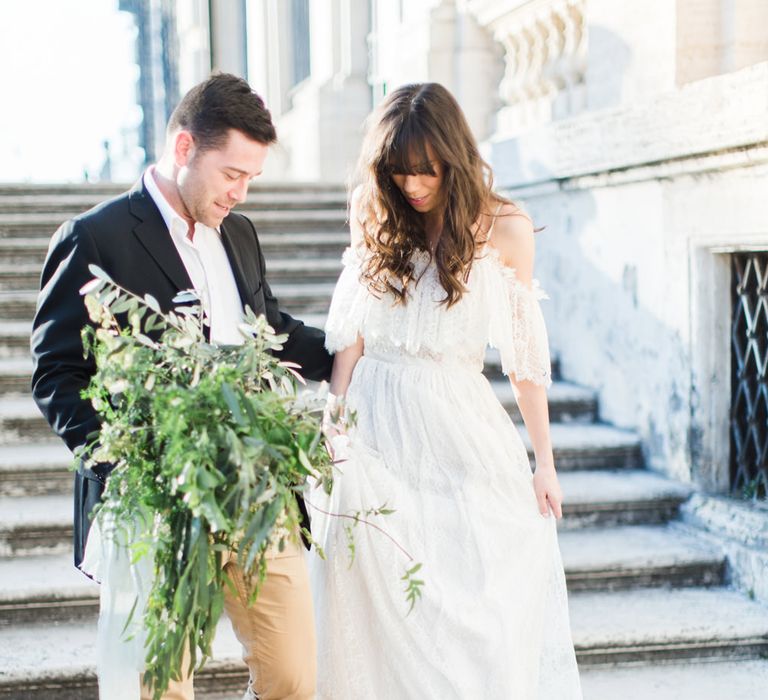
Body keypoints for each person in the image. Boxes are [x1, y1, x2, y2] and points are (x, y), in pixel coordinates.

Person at [31, 73, 332, 700]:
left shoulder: (240, 234)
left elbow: (269, 329)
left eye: (251, 177)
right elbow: (57, 373)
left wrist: (354, 349)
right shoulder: (94, 237)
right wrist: (127, 463)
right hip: (155, 498)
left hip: (258, 490)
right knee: (154, 686)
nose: (241, 191)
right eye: (232, 174)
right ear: (185, 147)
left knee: (295, 675)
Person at [309, 82, 582, 698]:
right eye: (399, 171)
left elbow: (523, 358)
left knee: (471, 602)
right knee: (367, 588)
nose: (412, 185)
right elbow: (351, 324)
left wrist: (545, 462)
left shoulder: (504, 227)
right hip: (375, 419)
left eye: (426, 171)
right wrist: (335, 409)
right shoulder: (371, 209)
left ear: (453, 157)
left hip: (457, 422)